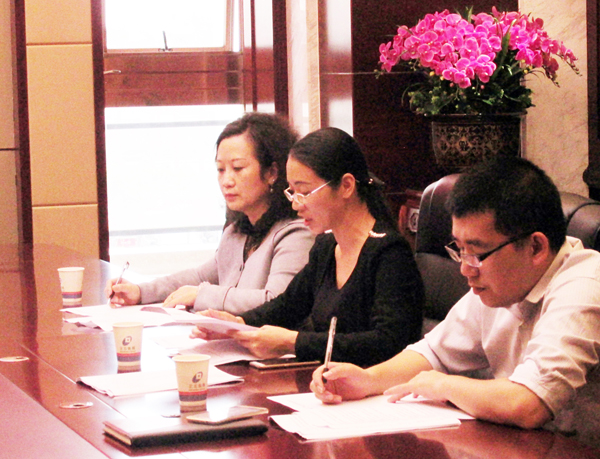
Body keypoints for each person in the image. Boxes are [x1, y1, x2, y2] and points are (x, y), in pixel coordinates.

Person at [310, 156, 600, 446]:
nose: (465, 269)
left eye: (476, 252)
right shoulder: (502, 282)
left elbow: (529, 403)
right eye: (459, 249)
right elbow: (434, 353)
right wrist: (367, 380)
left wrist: (442, 384)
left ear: (536, 247)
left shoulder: (585, 285)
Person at [192, 127, 424, 367]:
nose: (296, 205)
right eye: (292, 193)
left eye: (304, 192)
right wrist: (237, 324)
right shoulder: (326, 247)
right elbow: (287, 306)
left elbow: (387, 343)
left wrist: (292, 342)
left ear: (346, 186)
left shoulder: (390, 254)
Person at [105, 112, 315, 314]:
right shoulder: (236, 233)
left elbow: (277, 300)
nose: (227, 181)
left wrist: (201, 295)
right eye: (221, 170)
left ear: (272, 172)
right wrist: (141, 291)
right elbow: (199, 276)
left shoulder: (297, 233)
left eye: (238, 168)